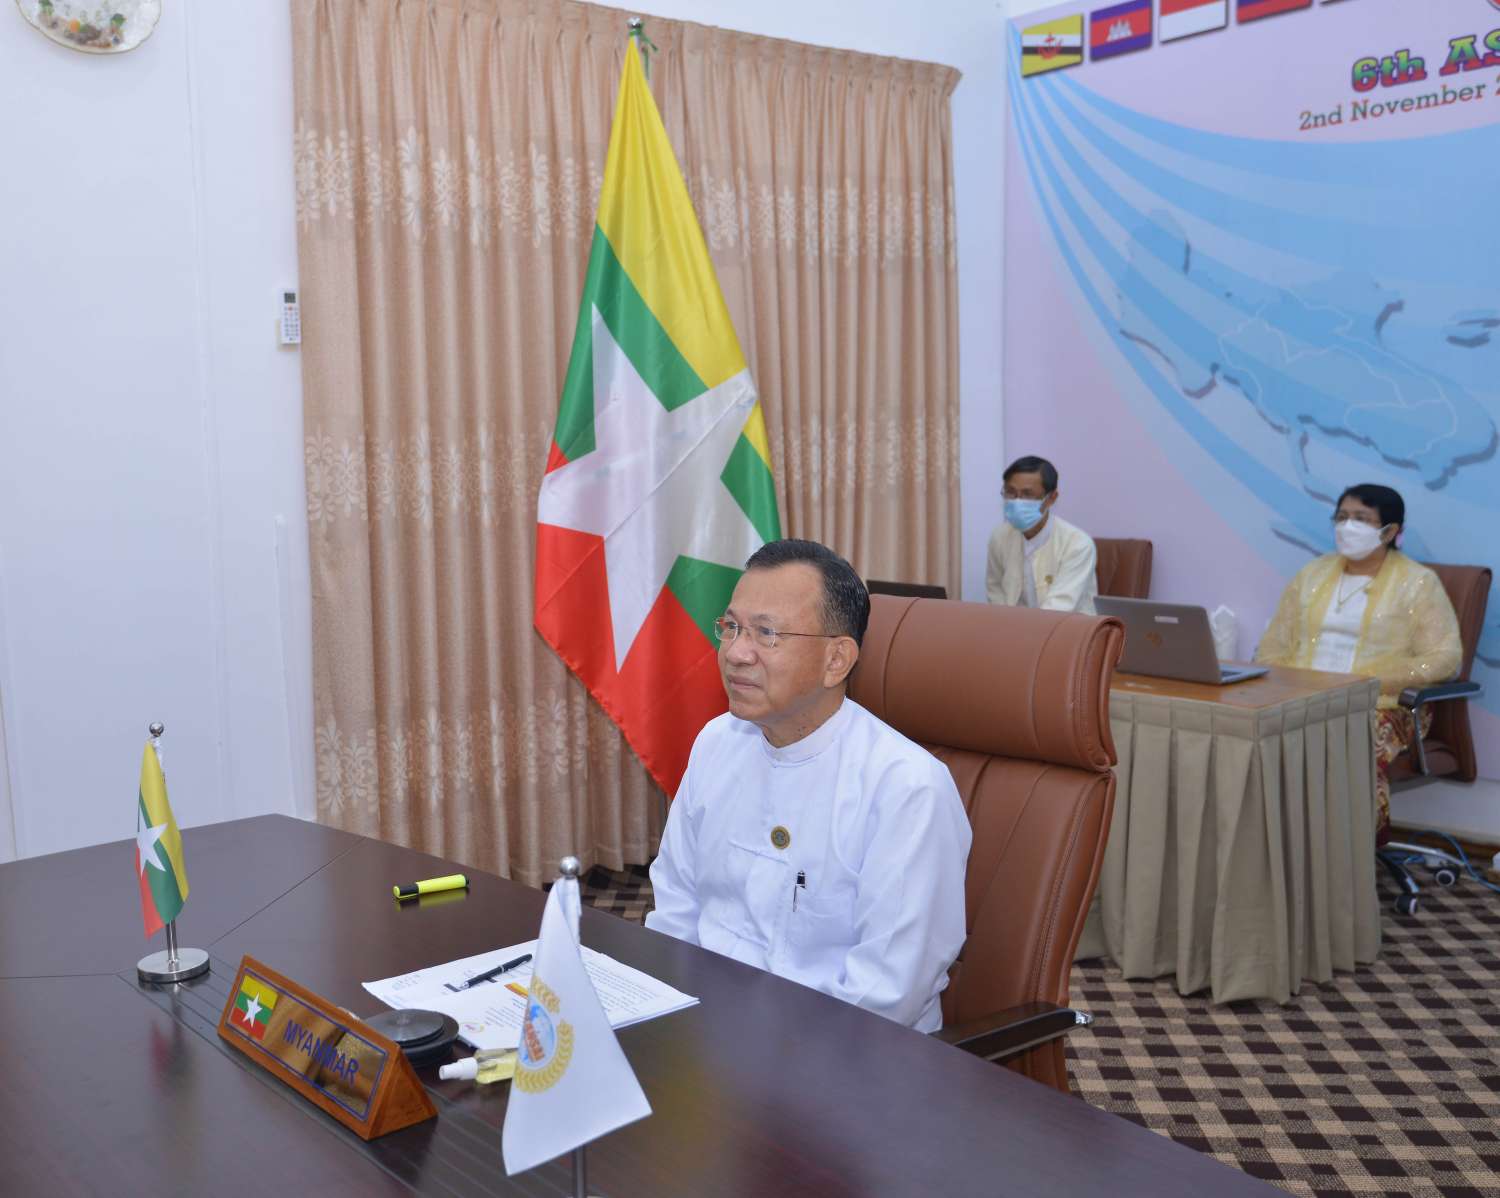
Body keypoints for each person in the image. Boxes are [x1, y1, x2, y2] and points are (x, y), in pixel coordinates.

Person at [645, 539, 972, 1032]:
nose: (736, 653)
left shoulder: (906, 788)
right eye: (731, 627)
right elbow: (675, 909)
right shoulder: (717, 741)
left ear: (836, 660)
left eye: (767, 633)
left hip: (843, 1053)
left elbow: (884, 998)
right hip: (706, 1030)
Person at [1256, 483, 1461, 835]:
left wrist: (1369, 681)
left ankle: (1347, 850)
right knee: (1252, 733)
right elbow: (1272, 647)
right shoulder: (1312, 575)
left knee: (1343, 739)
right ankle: (1280, 844)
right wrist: (1286, 685)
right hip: (1302, 697)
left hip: (1382, 703)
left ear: (1390, 531)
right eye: (1342, 517)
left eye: (1361, 519)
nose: (1347, 526)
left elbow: (1444, 658)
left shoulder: (1417, 583)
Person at [985, 455, 1098, 615]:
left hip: (1067, 627)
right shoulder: (1000, 536)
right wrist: (1005, 624)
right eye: (1010, 492)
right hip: (1013, 625)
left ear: (1051, 498)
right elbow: (995, 590)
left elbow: (1059, 608)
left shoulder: (1078, 544)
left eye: (1027, 494)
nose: (1017, 502)